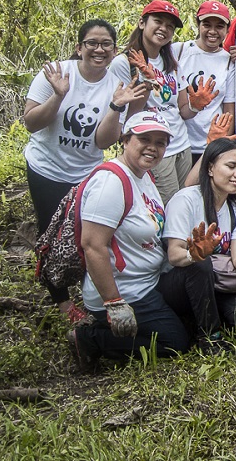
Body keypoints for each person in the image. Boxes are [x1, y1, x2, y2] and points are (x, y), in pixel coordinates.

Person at [24, 19, 147, 322]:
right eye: (92, 43)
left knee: (83, 233)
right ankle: (62, 302)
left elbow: (102, 141)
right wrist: (58, 96)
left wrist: (118, 107)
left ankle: (89, 289)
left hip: (86, 172)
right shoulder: (55, 74)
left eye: (106, 44)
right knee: (50, 232)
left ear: (114, 50)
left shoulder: (114, 87)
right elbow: (31, 122)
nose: (99, 49)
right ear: (79, 47)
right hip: (46, 167)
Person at [69, 113, 199, 370]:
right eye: (144, 139)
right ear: (126, 140)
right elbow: (93, 245)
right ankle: (88, 338)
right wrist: (114, 303)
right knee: (176, 343)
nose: (153, 147)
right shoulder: (111, 183)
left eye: (160, 142)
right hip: (127, 291)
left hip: (148, 281)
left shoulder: (142, 175)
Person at [111, 0, 219, 204]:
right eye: (158, 22)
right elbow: (126, 119)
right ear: (142, 23)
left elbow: (181, 111)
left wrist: (196, 106)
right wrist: (147, 84)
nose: (164, 29)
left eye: (170, 26)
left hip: (181, 143)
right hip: (156, 146)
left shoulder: (170, 62)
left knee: (186, 201)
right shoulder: (125, 63)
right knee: (167, 206)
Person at [163, 137, 236, 338]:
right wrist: (193, 255)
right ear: (210, 168)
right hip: (177, 284)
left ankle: (198, 319)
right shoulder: (185, 200)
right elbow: (174, 255)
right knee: (200, 264)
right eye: (231, 166)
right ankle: (210, 336)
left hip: (217, 284)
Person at [176, 1, 236, 165]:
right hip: (180, 142)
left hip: (209, 143)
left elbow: (228, 108)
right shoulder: (180, 51)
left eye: (219, 26)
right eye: (207, 25)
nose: (212, 31)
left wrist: (223, 146)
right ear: (198, 25)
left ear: (227, 29)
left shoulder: (228, 61)